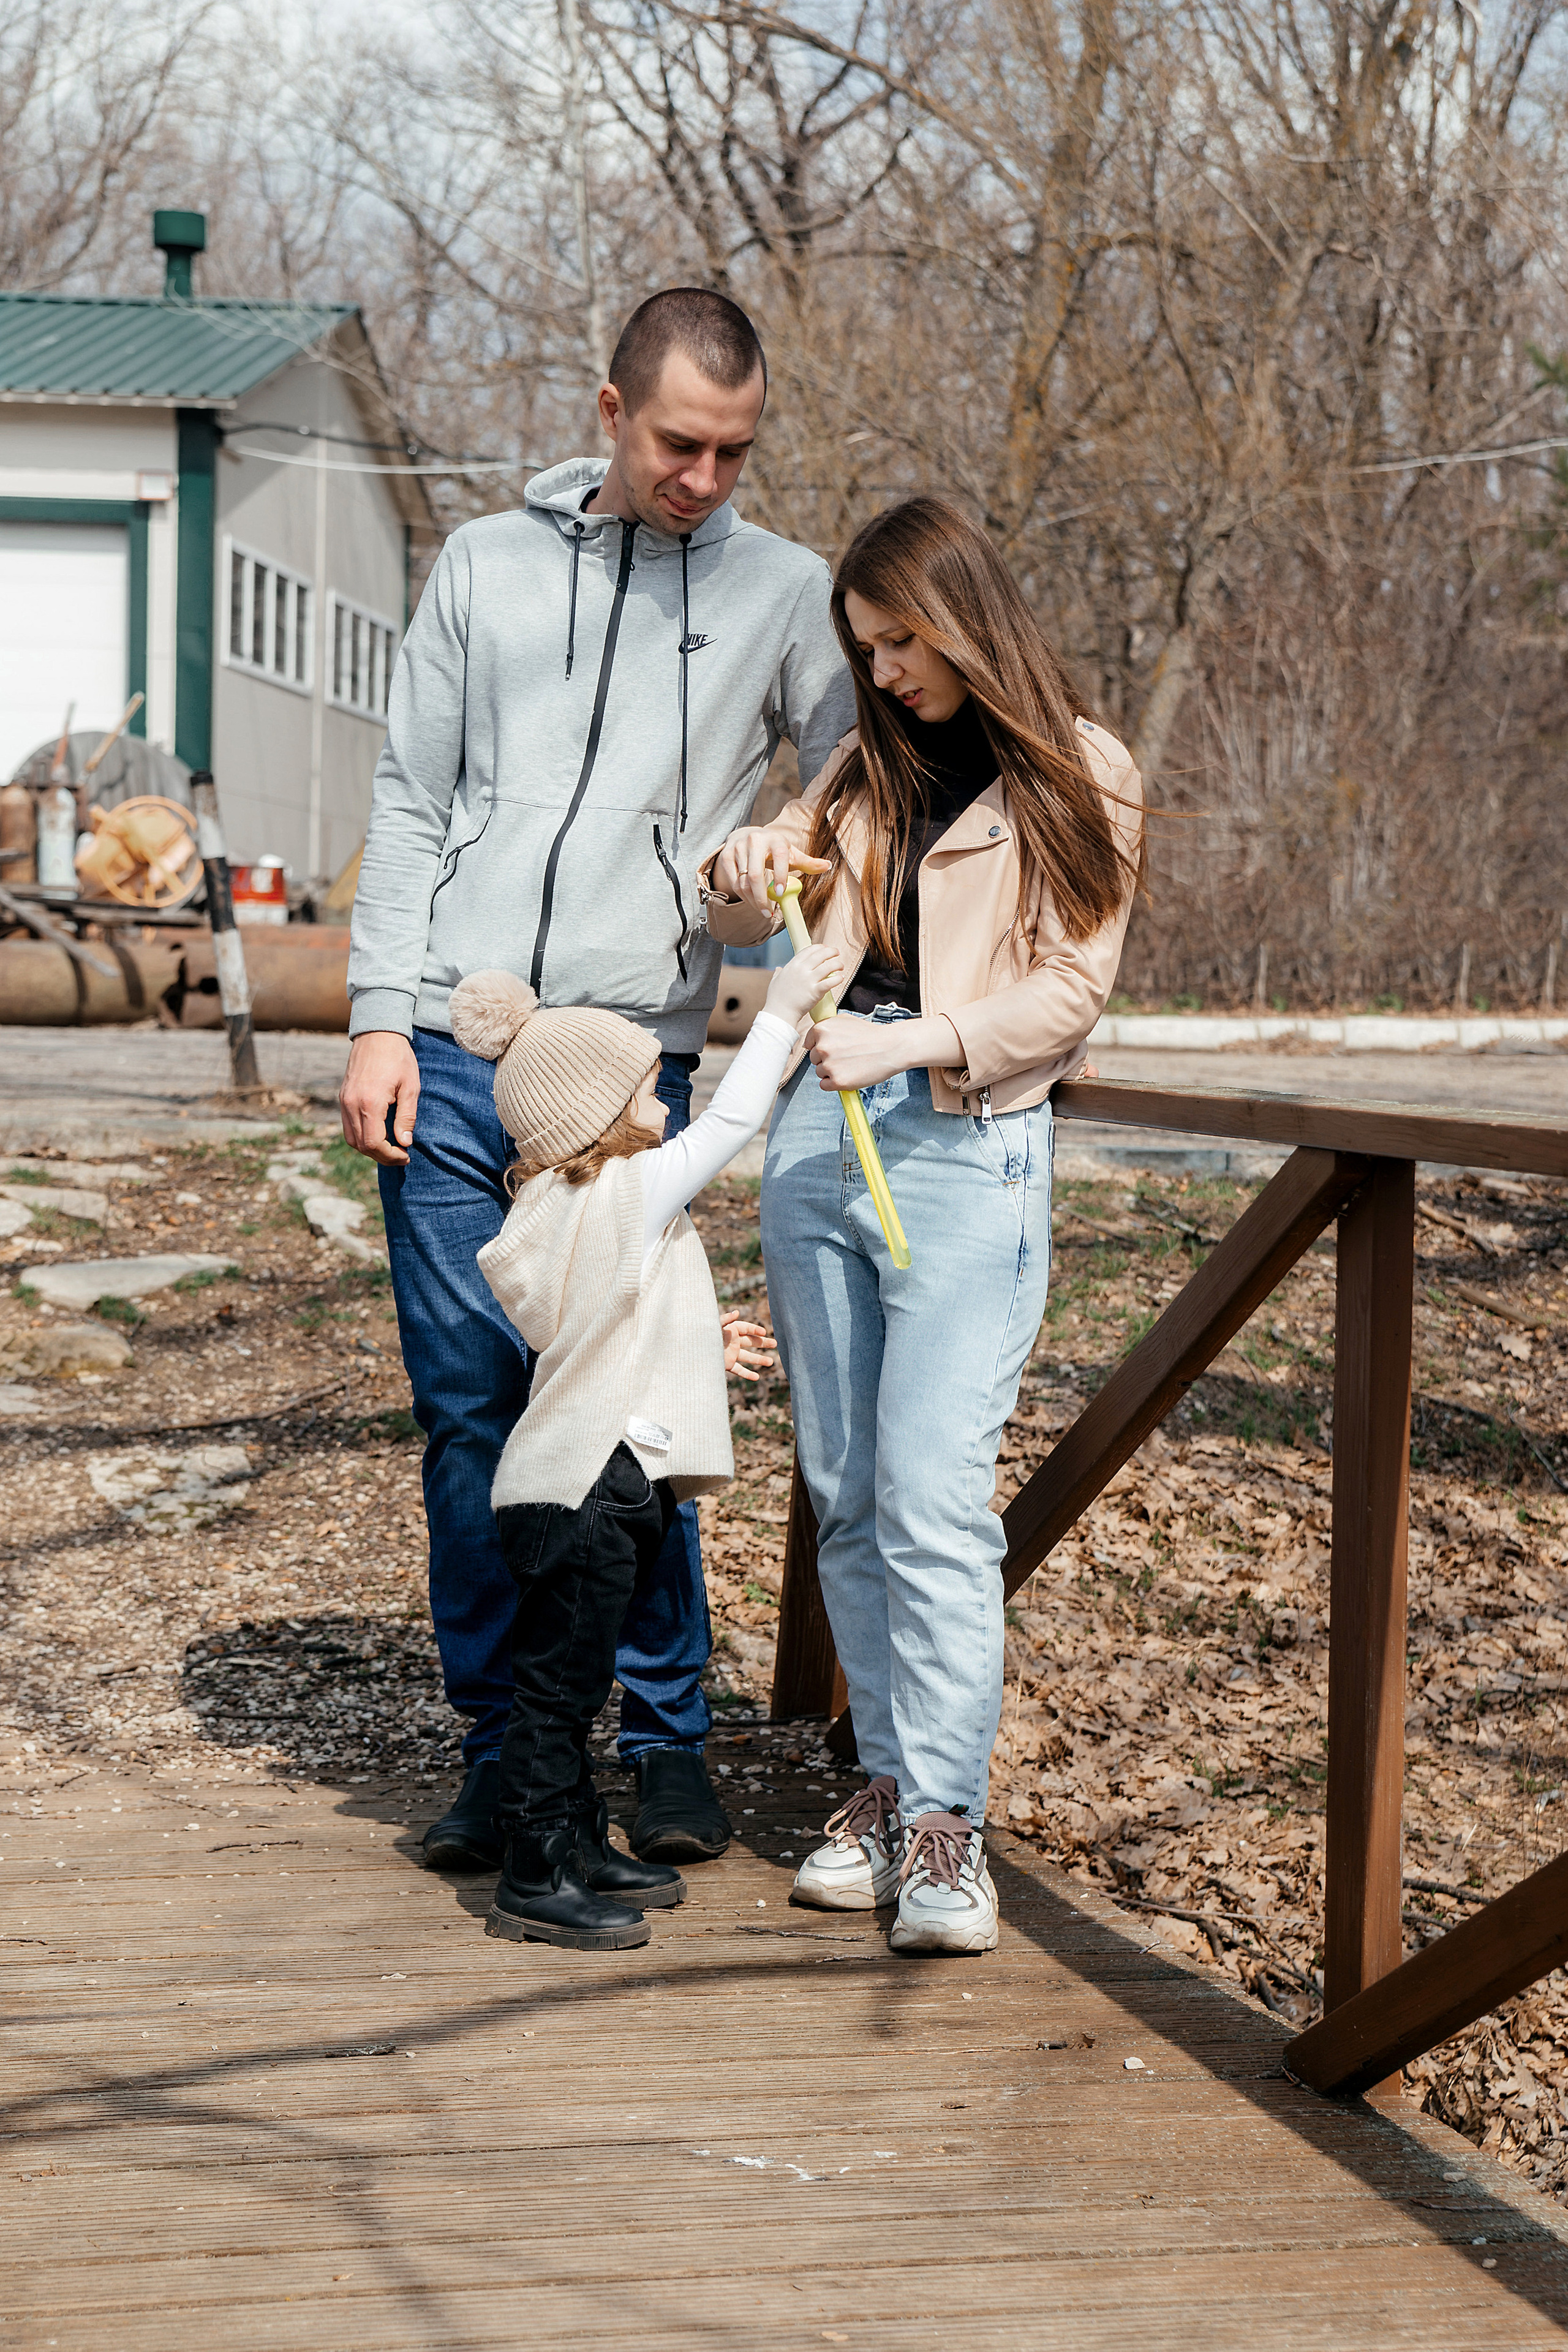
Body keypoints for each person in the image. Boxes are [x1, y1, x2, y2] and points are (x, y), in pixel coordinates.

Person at [339, 288, 856, 1874]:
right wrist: (375, 1013)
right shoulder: (486, 567)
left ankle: (666, 1733)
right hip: (453, 1042)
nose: (706, 477)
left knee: (636, 1403)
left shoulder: (784, 589)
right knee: (473, 1408)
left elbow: (861, 760)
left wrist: (790, 839)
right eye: (680, 443)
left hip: (639, 1056)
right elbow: (415, 799)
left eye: (736, 451)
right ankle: (507, 1750)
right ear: (613, 408)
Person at [702, 496, 1144, 1955]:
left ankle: (950, 1831)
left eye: (902, 641)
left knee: (933, 1497)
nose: (884, 671)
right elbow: (754, 925)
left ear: (967, 619)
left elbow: (1070, 994)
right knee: (843, 1490)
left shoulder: (1086, 774)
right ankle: (884, 1787)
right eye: (865, 646)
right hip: (819, 1141)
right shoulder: (856, 766)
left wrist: (915, 1042)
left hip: (962, 1150)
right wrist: (743, 869)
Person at [445, 939, 842, 1947]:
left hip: (567, 1480)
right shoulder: (625, 1192)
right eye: (641, 1095)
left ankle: (573, 1840)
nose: (662, 1108)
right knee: (558, 1694)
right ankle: (534, 1874)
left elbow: (598, 1319)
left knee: (569, 1681)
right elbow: (737, 1117)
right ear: (594, 1120)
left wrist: (697, 1335)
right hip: (593, 1484)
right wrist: (784, 1007)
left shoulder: (551, 1211)